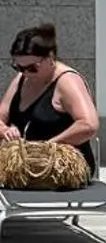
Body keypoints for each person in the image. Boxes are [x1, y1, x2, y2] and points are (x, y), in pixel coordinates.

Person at [0, 23, 100, 167]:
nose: (26, 73)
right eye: (19, 67)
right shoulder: (21, 79)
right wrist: (6, 130)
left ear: (50, 57)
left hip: (61, 166)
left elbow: (88, 125)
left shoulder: (68, 82)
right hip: (27, 164)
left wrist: (48, 147)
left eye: (32, 68)